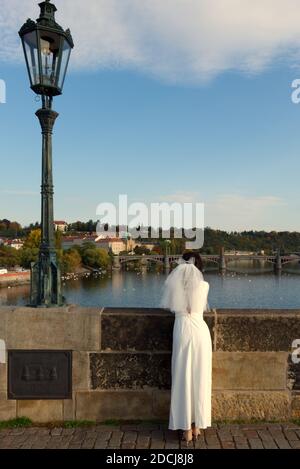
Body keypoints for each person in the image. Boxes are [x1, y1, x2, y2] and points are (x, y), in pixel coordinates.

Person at [161, 251, 212, 445]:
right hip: (200, 333)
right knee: (200, 378)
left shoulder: (175, 287)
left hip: (182, 330)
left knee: (183, 378)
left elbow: (173, 307)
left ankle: (185, 428)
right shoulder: (205, 286)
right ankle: (197, 425)